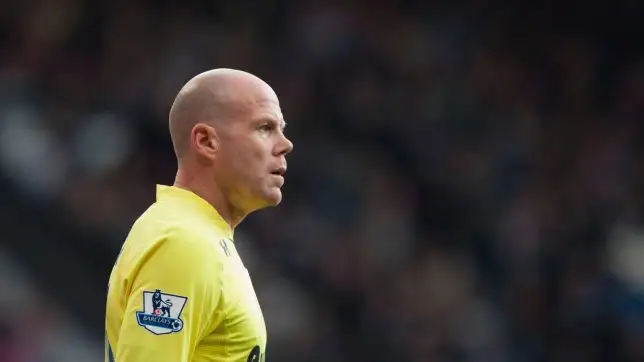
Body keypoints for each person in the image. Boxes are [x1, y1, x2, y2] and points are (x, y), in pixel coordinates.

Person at [105, 68, 293, 362]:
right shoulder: (184, 243)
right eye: (265, 128)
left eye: (281, 129)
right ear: (206, 141)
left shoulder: (195, 234)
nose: (285, 144)